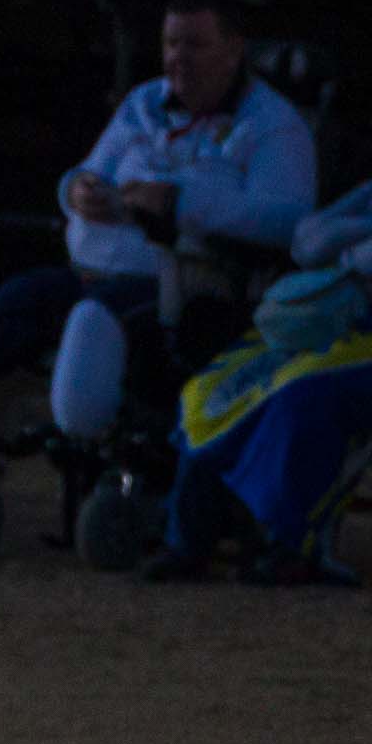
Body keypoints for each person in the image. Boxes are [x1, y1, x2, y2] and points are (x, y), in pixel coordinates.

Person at [0, 0, 317, 437]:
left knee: (93, 321)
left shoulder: (272, 126)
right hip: (90, 269)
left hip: (180, 292)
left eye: (195, 45)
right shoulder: (144, 103)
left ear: (233, 52)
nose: (179, 58)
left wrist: (180, 202)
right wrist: (75, 192)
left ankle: (94, 451)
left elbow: (289, 223)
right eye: (171, 44)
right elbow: (86, 172)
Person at [142, 179, 372, 585]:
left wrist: (351, 246)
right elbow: (309, 241)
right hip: (333, 317)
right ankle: (189, 539)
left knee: (303, 394)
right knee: (212, 390)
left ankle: (290, 546)